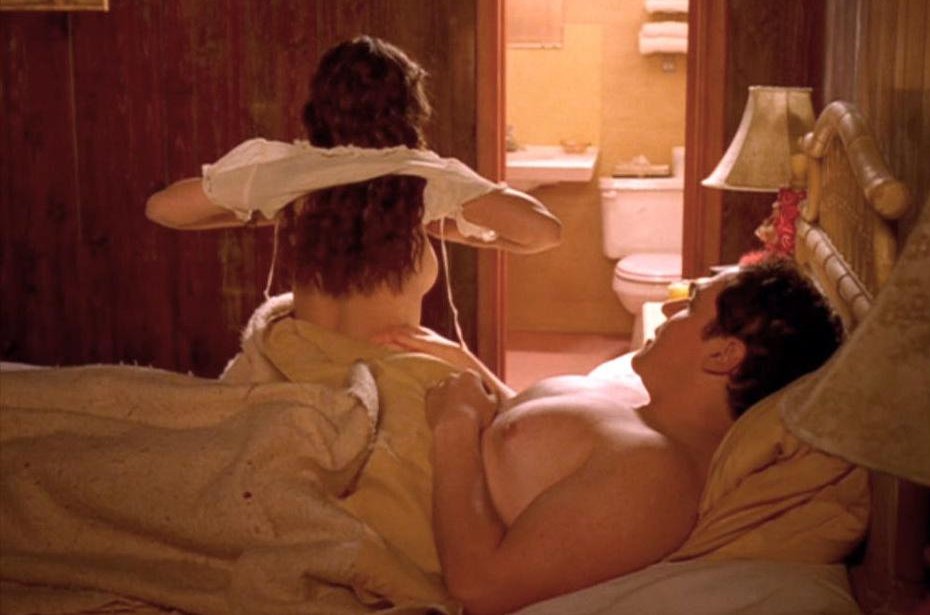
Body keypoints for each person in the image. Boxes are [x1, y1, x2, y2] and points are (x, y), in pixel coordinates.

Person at [145, 35, 563, 588]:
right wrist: (443, 213)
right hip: (392, 374)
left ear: (320, 106)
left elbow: (164, 208)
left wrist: (274, 201)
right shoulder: (421, 181)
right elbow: (542, 232)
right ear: (408, 108)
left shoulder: (296, 176)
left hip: (292, 367)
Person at [378, 258, 844, 614]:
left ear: (723, 355)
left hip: (383, 482)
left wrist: (456, 424)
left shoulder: (656, 479)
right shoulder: (644, 415)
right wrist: (468, 369)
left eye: (691, 306)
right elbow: (536, 450)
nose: (668, 309)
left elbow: (482, 588)